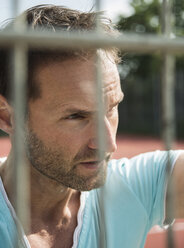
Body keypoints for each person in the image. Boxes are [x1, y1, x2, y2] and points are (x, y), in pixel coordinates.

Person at [0, 5, 183, 248]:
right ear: (7, 117)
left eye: (112, 107)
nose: (109, 143)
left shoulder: (137, 187)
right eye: (76, 116)